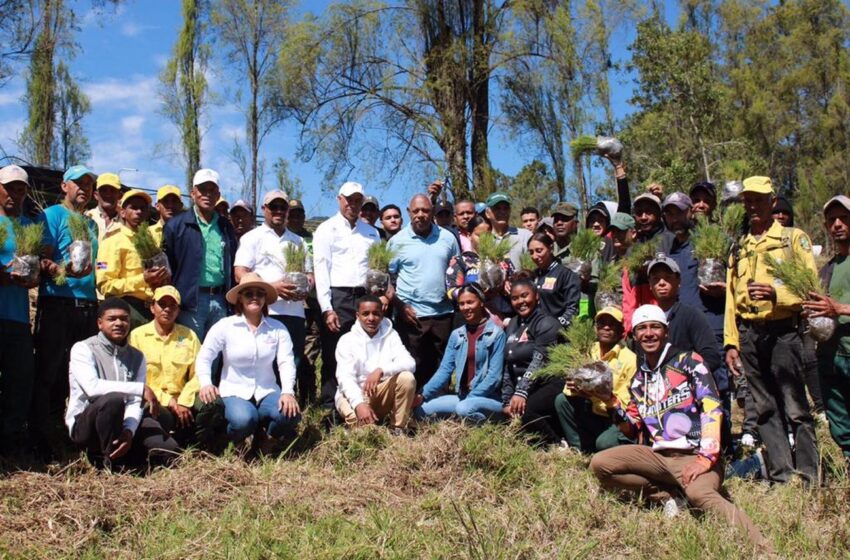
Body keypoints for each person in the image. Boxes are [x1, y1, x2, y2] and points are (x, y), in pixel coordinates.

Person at [589, 305, 769, 549]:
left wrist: (705, 459)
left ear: (666, 331)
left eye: (655, 327)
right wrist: (610, 401)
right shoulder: (639, 380)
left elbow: (712, 409)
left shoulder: (689, 362)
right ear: (634, 335)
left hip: (695, 454)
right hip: (659, 456)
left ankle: (762, 546)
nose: (649, 333)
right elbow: (632, 428)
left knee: (700, 495)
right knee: (600, 464)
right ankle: (669, 494)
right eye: (642, 328)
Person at [724, 176, 819, 485]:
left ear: (772, 201)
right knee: (764, 409)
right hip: (750, 334)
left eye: (759, 199)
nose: (753, 205)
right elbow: (729, 298)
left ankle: (808, 476)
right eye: (748, 200)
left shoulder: (791, 239)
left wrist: (778, 295)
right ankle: (781, 475)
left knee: (795, 407)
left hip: (783, 333)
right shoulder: (739, 246)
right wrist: (731, 342)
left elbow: (810, 290)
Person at [31, 165, 100, 458]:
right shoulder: (52, 216)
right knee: (50, 371)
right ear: (64, 186)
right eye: (78, 183)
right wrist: (63, 271)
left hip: (87, 304)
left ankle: (73, 433)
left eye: (88, 183)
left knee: (79, 374)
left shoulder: (91, 224)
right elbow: (40, 259)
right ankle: (39, 436)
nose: (83, 188)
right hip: (58, 301)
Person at [66, 297, 179, 470]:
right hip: (87, 424)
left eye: (124, 319)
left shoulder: (137, 356)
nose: (119, 323)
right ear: (99, 323)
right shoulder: (83, 348)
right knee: (113, 400)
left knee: (168, 449)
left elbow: (135, 401)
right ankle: (104, 459)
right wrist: (139, 389)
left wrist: (129, 431)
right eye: (112, 319)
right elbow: (92, 388)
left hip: (124, 419)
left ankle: (127, 451)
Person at [196, 273, 301, 451]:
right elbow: (205, 356)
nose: (254, 297)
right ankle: (232, 440)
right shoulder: (225, 326)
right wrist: (206, 383)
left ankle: (266, 436)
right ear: (240, 299)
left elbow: (286, 362)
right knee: (244, 420)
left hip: (267, 390)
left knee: (291, 415)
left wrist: (287, 392)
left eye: (259, 294)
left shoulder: (277, 328)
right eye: (248, 293)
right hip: (234, 391)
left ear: (265, 299)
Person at [314, 181, 381, 408]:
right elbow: (321, 270)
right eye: (348, 199)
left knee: (364, 349)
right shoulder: (326, 229)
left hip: (364, 296)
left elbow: (376, 268)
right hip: (338, 295)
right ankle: (329, 406)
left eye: (357, 200)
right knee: (334, 350)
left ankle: (361, 402)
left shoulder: (371, 232)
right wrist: (327, 308)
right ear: (339, 199)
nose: (352, 204)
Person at [234, 190, 311, 379]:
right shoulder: (252, 237)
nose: (278, 211)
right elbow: (240, 274)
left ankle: (288, 404)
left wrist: (306, 286)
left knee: (292, 362)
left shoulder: (298, 241)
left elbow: (309, 274)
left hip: (294, 312)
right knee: (264, 362)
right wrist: (270, 288)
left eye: (282, 207)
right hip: (265, 311)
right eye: (273, 207)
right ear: (264, 209)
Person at [389, 194, 460, 387]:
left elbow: (457, 271)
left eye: (426, 210)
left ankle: (438, 407)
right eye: (416, 211)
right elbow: (385, 279)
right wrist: (399, 306)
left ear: (433, 212)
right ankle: (413, 408)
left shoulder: (448, 238)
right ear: (409, 212)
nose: (421, 215)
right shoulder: (397, 241)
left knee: (441, 364)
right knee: (413, 364)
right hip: (411, 315)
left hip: (443, 313)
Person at [163, 168, 238, 340]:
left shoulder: (226, 226)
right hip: (191, 301)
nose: (207, 194)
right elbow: (169, 266)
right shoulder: (176, 225)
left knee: (215, 355)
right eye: (203, 189)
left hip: (221, 300)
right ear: (193, 193)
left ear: (218, 195)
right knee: (190, 353)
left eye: (212, 191)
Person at [804, 195, 850, 471]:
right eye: (832, 220)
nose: (837, 224)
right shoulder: (828, 268)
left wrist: (839, 308)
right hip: (831, 356)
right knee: (840, 420)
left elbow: (835, 308)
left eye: (843, 218)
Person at [416, 283, 506, 423]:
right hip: (462, 397)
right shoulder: (456, 335)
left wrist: (472, 397)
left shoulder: (496, 333)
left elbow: (494, 377)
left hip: (488, 398)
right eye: (462, 304)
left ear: (481, 303)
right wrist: (423, 394)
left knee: (464, 409)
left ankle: (490, 427)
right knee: (421, 410)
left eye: (470, 302)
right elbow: (444, 370)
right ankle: (465, 419)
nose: (465, 308)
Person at [554, 307, 636, 452]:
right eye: (601, 323)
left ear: (621, 330)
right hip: (591, 409)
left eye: (612, 324)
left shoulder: (629, 359)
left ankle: (606, 449)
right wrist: (576, 388)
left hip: (614, 417)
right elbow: (568, 389)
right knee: (562, 401)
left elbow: (624, 403)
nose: (606, 327)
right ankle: (581, 449)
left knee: (604, 444)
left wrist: (604, 396)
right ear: (595, 328)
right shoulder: (587, 351)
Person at [128, 286, 201, 445]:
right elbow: (135, 379)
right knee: (156, 415)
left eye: (173, 305)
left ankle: (199, 444)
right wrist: (169, 401)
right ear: (152, 307)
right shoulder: (137, 336)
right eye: (162, 304)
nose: (167, 309)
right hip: (155, 400)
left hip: (183, 400)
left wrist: (183, 400)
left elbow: (200, 373)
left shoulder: (189, 336)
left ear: (178, 310)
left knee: (211, 405)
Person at [334, 295, 417, 431]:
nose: (371, 318)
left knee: (407, 378)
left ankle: (397, 428)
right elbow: (345, 378)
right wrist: (359, 404)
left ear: (382, 315)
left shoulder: (391, 335)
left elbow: (410, 363)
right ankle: (360, 426)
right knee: (365, 433)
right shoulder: (347, 340)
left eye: (376, 314)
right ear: (357, 316)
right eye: (365, 314)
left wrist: (381, 370)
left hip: (380, 392)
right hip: (355, 395)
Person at [0, 165, 38, 457]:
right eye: (9, 187)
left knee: (20, 379)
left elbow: (35, 269)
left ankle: (12, 441)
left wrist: (33, 276)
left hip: (18, 316)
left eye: (20, 189)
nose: (14, 194)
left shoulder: (29, 226)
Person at [501, 277, 563, 445]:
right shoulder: (513, 323)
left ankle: (556, 445)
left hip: (548, 383)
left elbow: (539, 360)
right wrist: (507, 399)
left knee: (527, 411)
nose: (520, 301)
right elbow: (508, 363)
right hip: (524, 386)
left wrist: (521, 393)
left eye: (524, 295)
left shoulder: (547, 323)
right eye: (514, 298)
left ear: (536, 296)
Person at [96, 189, 171, 327]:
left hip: (153, 310)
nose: (139, 212)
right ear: (123, 212)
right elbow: (105, 285)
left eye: (143, 208)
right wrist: (143, 280)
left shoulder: (152, 242)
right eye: (134, 207)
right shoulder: (112, 242)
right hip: (128, 309)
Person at [647, 255, 722, 373]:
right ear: (650, 285)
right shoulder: (647, 319)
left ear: (678, 281)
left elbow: (712, 357)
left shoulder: (692, 316)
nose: (661, 283)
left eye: (668, 277)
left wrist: (681, 373)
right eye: (656, 278)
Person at [445, 214, 513, 324]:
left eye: (488, 236)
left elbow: (515, 283)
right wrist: (476, 294)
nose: (484, 240)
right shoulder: (460, 262)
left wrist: (507, 283)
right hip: (472, 322)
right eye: (479, 236)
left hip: (503, 319)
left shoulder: (501, 259)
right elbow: (451, 291)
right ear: (469, 235)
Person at [287, 199, 321, 405]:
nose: (296, 217)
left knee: (310, 349)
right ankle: (288, 393)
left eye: (299, 214)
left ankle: (308, 397)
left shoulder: (313, 238)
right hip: (288, 303)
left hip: (312, 302)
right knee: (289, 349)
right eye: (292, 214)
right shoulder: (283, 239)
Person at [527, 232, 581, 328]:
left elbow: (572, 309)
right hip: (535, 330)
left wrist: (556, 327)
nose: (535, 256)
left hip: (558, 334)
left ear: (550, 248)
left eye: (539, 250)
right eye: (531, 252)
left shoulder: (565, 274)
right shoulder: (533, 275)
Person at [485, 192, 531, 270]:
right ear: (487, 213)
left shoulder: (525, 236)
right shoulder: (484, 239)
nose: (502, 212)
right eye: (497, 208)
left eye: (505, 208)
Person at [86, 172, 123, 243]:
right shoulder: (87, 218)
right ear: (96, 195)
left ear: (120, 195)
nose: (108, 194)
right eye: (104, 190)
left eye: (113, 190)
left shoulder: (126, 223)